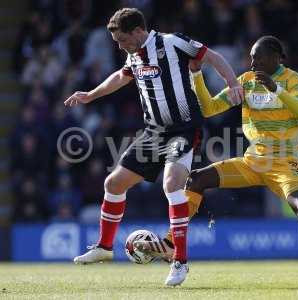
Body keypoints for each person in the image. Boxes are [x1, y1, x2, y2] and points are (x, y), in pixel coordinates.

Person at [136, 35, 298, 288]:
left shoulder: (293, 80)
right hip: (252, 162)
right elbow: (209, 108)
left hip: (284, 165)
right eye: (251, 57)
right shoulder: (246, 82)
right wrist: (197, 76)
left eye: (258, 56)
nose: (252, 61)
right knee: (197, 179)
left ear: (276, 57)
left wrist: (275, 88)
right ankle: (170, 244)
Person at [64, 7, 243, 286]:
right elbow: (122, 76)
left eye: (123, 40)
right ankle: (104, 247)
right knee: (113, 184)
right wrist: (91, 95)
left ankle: (180, 261)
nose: (121, 46)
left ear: (138, 31)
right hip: (154, 132)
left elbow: (213, 56)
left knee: (171, 185)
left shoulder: (172, 42)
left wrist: (231, 83)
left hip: (184, 128)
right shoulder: (133, 54)